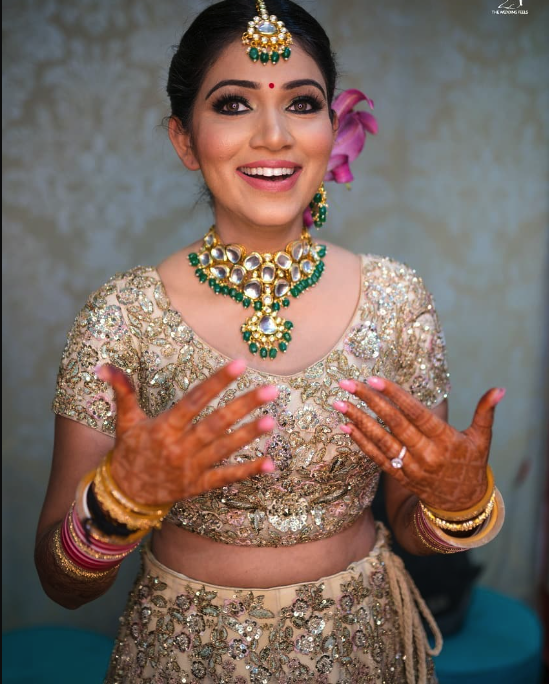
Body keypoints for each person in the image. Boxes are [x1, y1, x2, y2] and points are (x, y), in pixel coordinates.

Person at [34, 1, 506, 682]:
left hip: (363, 649)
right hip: (182, 656)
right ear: (184, 140)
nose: (274, 134)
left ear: (331, 127)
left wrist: (457, 508)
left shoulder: (397, 298)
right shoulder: (121, 313)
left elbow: (408, 520)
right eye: (232, 104)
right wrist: (116, 504)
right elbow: (61, 581)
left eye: (302, 102)